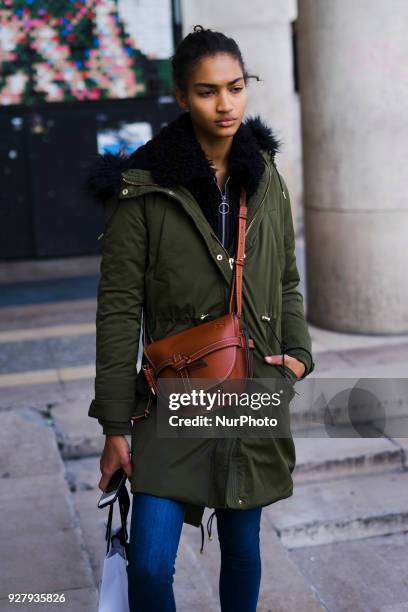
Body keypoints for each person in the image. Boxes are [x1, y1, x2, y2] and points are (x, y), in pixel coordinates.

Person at [87, 25, 314, 612]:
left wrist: (296, 355)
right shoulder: (142, 191)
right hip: (172, 397)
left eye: (236, 87)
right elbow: (117, 315)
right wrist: (116, 425)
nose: (226, 104)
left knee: (243, 546)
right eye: (208, 91)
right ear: (183, 96)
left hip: (250, 390)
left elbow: (286, 279)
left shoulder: (265, 178)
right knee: (149, 564)